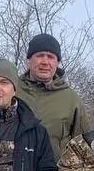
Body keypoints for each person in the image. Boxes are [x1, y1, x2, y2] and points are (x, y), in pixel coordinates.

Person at [14, 33, 86, 162]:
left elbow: (84, 144)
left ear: (57, 62)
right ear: (28, 61)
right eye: (40, 56)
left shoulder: (71, 99)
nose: (45, 62)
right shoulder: (12, 91)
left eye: (51, 57)